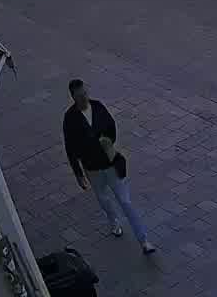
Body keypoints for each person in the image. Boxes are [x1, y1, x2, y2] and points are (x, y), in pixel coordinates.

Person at [62, 79, 155, 255]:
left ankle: (144, 241)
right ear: (73, 97)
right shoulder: (70, 118)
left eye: (85, 93)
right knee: (103, 198)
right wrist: (78, 174)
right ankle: (113, 220)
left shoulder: (97, 106)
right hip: (92, 169)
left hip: (110, 163)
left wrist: (108, 140)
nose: (84, 98)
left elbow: (111, 125)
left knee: (126, 202)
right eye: (80, 96)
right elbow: (70, 147)